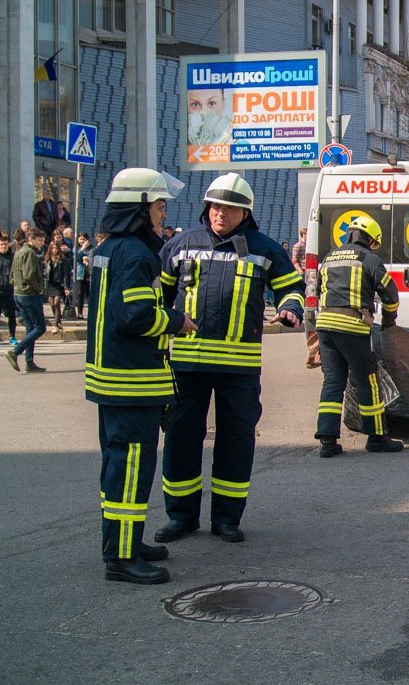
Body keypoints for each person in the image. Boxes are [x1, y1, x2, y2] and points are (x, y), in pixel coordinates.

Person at [156, 172, 304, 544]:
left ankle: (226, 518)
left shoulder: (264, 248)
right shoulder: (180, 245)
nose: (221, 213)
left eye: (231, 207)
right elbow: (157, 296)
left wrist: (290, 309)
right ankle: (181, 516)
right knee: (180, 439)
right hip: (186, 365)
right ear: (207, 207)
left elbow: (292, 287)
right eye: (216, 206)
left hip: (238, 368)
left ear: (245, 212)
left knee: (236, 441)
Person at [88, 168, 194, 584]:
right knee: (130, 468)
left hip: (112, 380)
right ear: (139, 208)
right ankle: (122, 557)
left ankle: (121, 541)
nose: (162, 213)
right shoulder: (134, 253)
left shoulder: (111, 248)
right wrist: (175, 320)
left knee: (117, 466)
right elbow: (133, 316)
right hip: (130, 383)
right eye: (159, 205)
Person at [313, 215, 401, 458]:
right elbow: (390, 295)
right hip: (352, 327)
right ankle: (376, 437)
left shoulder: (328, 258)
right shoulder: (369, 259)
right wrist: (389, 321)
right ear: (371, 239)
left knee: (332, 381)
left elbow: (319, 289)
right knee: (368, 381)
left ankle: (327, 441)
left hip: (325, 326)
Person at [6, 228, 47, 373]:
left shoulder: (19, 251)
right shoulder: (29, 253)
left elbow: (11, 274)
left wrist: (16, 285)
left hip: (19, 293)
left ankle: (29, 363)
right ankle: (15, 352)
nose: (42, 244)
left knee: (31, 329)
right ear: (31, 239)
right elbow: (29, 275)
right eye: (40, 240)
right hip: (29, 295)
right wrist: (39, 289)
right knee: (40, 327)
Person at [44, 240, 70, 333]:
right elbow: (45, 273)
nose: (54, 250)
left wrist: (67, 287)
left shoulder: (62, 260)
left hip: (58, 284)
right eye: (52, 248)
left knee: (56, 303)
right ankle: (58, 321)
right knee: (51, 303)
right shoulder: (47, 259)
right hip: (50, 284)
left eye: (56, 248)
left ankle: (55, 325)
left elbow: (66, 274)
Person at [72, 232, 92, 319]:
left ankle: (91, 312)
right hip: (80, 273)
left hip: (89, 273)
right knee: (80, 293)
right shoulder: (76, 249)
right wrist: (83, 249)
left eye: (83, 239)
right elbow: (76, 258)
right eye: (80, 239)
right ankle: (80, 313)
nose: (81, 241)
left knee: (89, 294)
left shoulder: (91, 249)